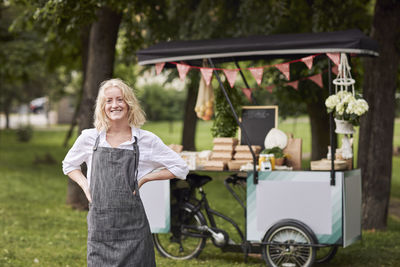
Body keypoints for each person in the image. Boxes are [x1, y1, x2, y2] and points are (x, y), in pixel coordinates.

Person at [62, 78, 189, 266]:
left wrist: (145, 178)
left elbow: (180, 167)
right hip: (101, 228)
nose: (115, 105)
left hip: (133, 230)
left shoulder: (146, 140)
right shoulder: (90, 138)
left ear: (129, 104)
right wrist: (85, 186)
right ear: (102, 106)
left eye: (120, 100)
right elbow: (69, 165)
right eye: (109, 101)